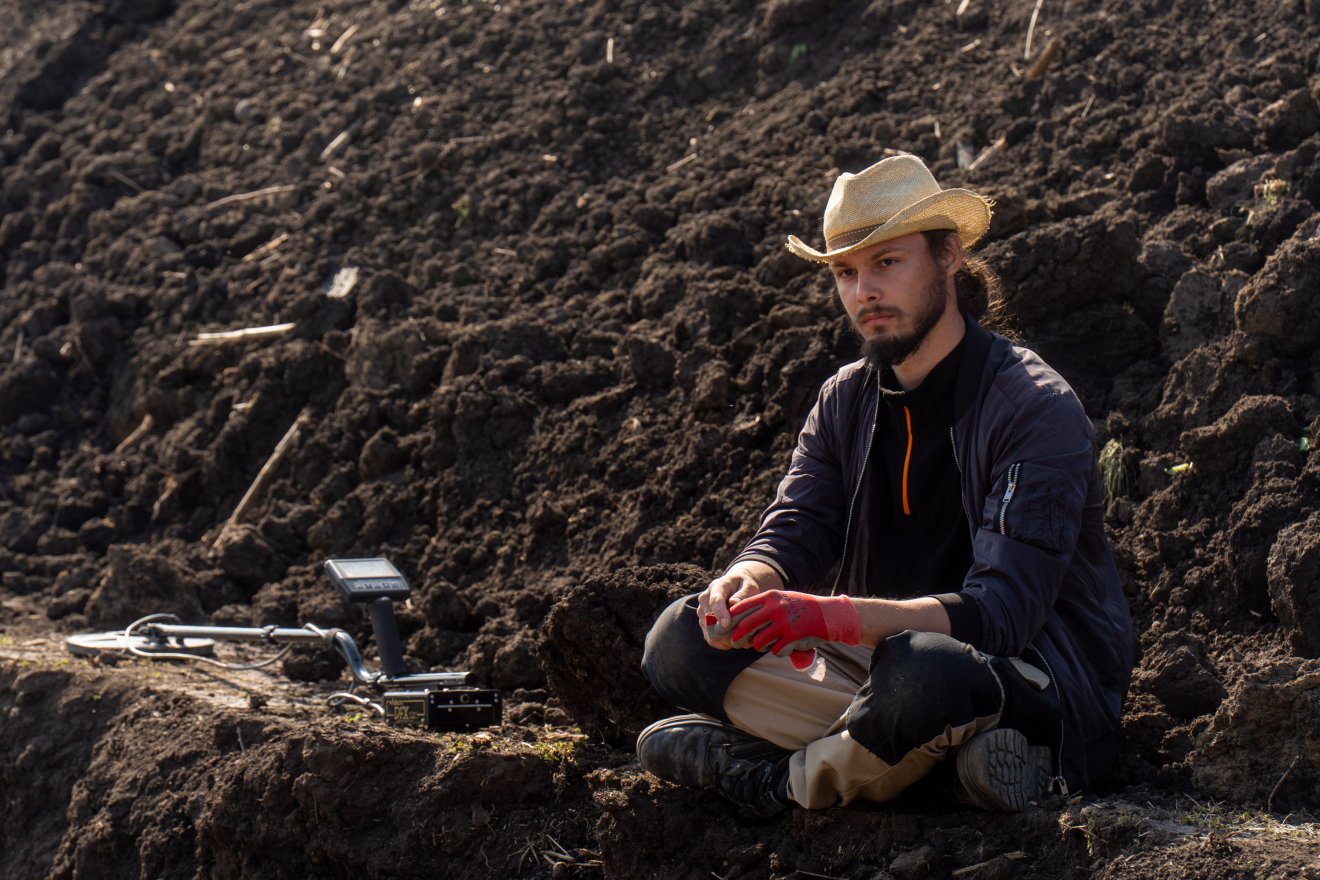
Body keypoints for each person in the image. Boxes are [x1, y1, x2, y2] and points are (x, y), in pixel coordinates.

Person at [636, 154, 1134, 815]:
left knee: (923, 674)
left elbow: (1001, 615)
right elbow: (796, 527)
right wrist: (747, 581)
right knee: (679, 640)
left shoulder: (1034, 407)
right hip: (876, 667)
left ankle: (780, 781)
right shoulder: (844, 399)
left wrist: (831, 618)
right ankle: (945, 767)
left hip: (1026, 676)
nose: (863, 290)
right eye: (846, 272)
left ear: (949, 256)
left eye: (887, 263)